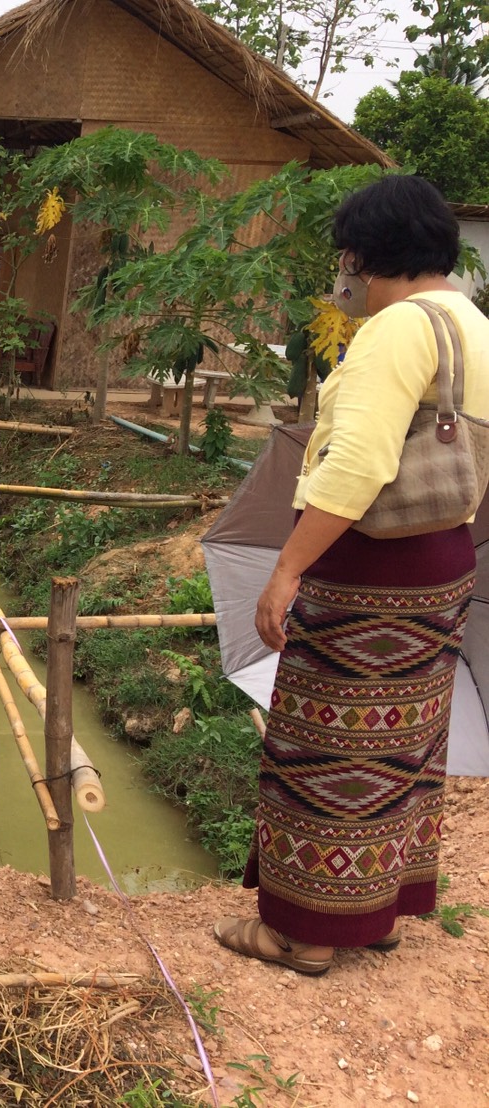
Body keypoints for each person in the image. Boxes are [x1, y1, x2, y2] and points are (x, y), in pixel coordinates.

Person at [215, 175, 489, 974]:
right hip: (443, 563)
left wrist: (287, 571)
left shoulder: (394, 331)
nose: (344, 275)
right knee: (401, 749)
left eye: (346, 257)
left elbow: (358, 463)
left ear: (366, 257)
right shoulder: (474, 324)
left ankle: (301, 932)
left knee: (323, 750)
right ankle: (377, 913)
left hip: (367, 568)